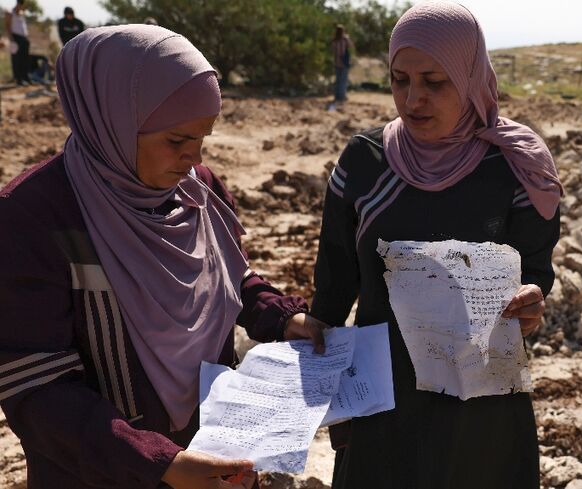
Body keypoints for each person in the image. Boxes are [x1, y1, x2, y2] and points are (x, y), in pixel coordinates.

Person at [0, 25, 329, 488]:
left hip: (211, 455)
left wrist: (280, 318)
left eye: (203, 138)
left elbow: (230, 276)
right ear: (111, 120)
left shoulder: (199, 191)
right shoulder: (35, 218)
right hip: (101, 473)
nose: (192, 158)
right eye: (176, 141)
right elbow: (39, 391)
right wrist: (162, 465)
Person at [311, 3, 562, 488]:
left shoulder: (513, 168)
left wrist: (531, 301)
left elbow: (534, 273)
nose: (413, 98)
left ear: (469, 77)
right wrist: (331, 393)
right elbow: (334, 286)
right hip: (383, 400)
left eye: (434, 82)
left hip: (479, 399)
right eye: (399, 79)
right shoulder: (365, 163)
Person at [4, 0, 30, 85]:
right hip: (15, 38)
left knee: (25, 59)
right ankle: (18, 79)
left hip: (24, 38)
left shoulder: (22, 13)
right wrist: (11, 40)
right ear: (18, 3)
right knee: (16, 59)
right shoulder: (10, 12)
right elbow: (7, 26)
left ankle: (25, 77)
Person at [331, 24, 354, 104]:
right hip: (344, 62)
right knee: (343, 80)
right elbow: (351, 46)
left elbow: (333, 50)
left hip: (337, 61)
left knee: (338, 80)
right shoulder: (345, 39)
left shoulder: (334, 40)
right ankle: (342, 96)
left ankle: (337, 96)